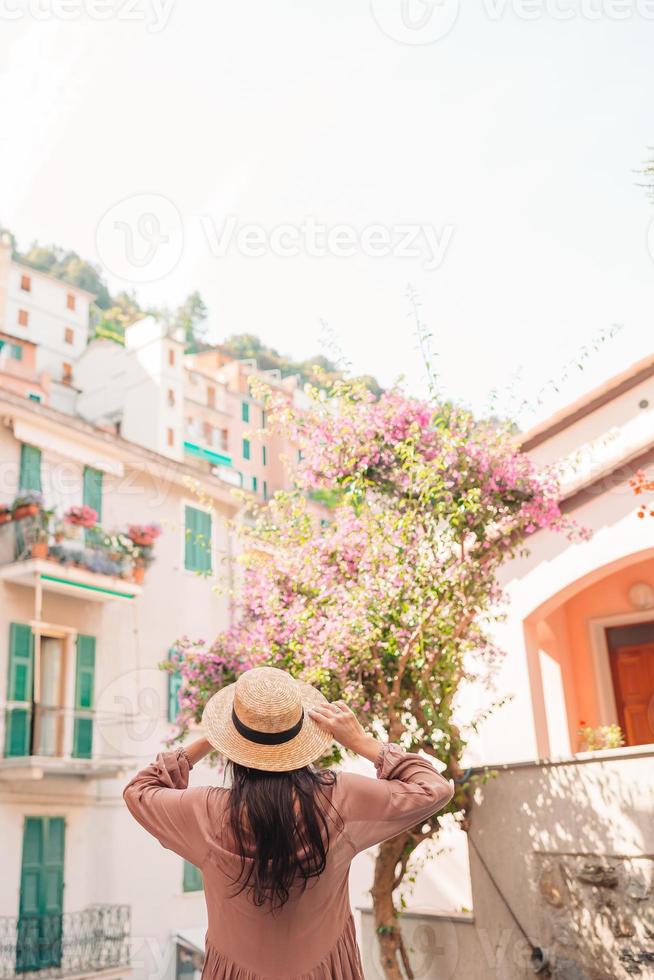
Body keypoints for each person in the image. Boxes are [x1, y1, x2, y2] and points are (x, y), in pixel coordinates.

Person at [123, 665, 453, 979]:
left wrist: (209, 738)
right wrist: (361, 742)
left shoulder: (206, 811)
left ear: (233, 744)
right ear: (300, 739)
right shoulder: (341, 799)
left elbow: (139, 791)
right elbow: (433, 788)